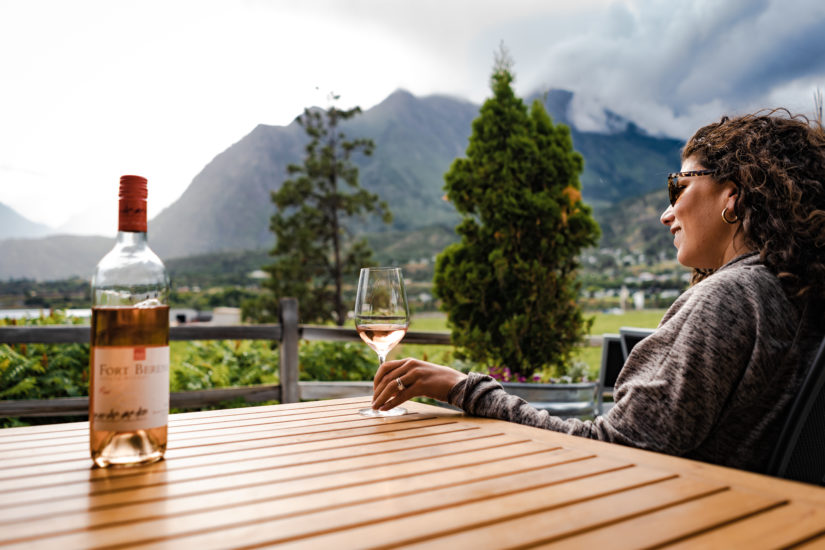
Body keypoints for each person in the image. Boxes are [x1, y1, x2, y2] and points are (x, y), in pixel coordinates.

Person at [370, 109, 825, 473]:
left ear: (733, 196)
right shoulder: (792, 293)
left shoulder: (732, 299)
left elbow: (611, 450)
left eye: (679, 186)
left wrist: (463, 388)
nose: (666, 214)